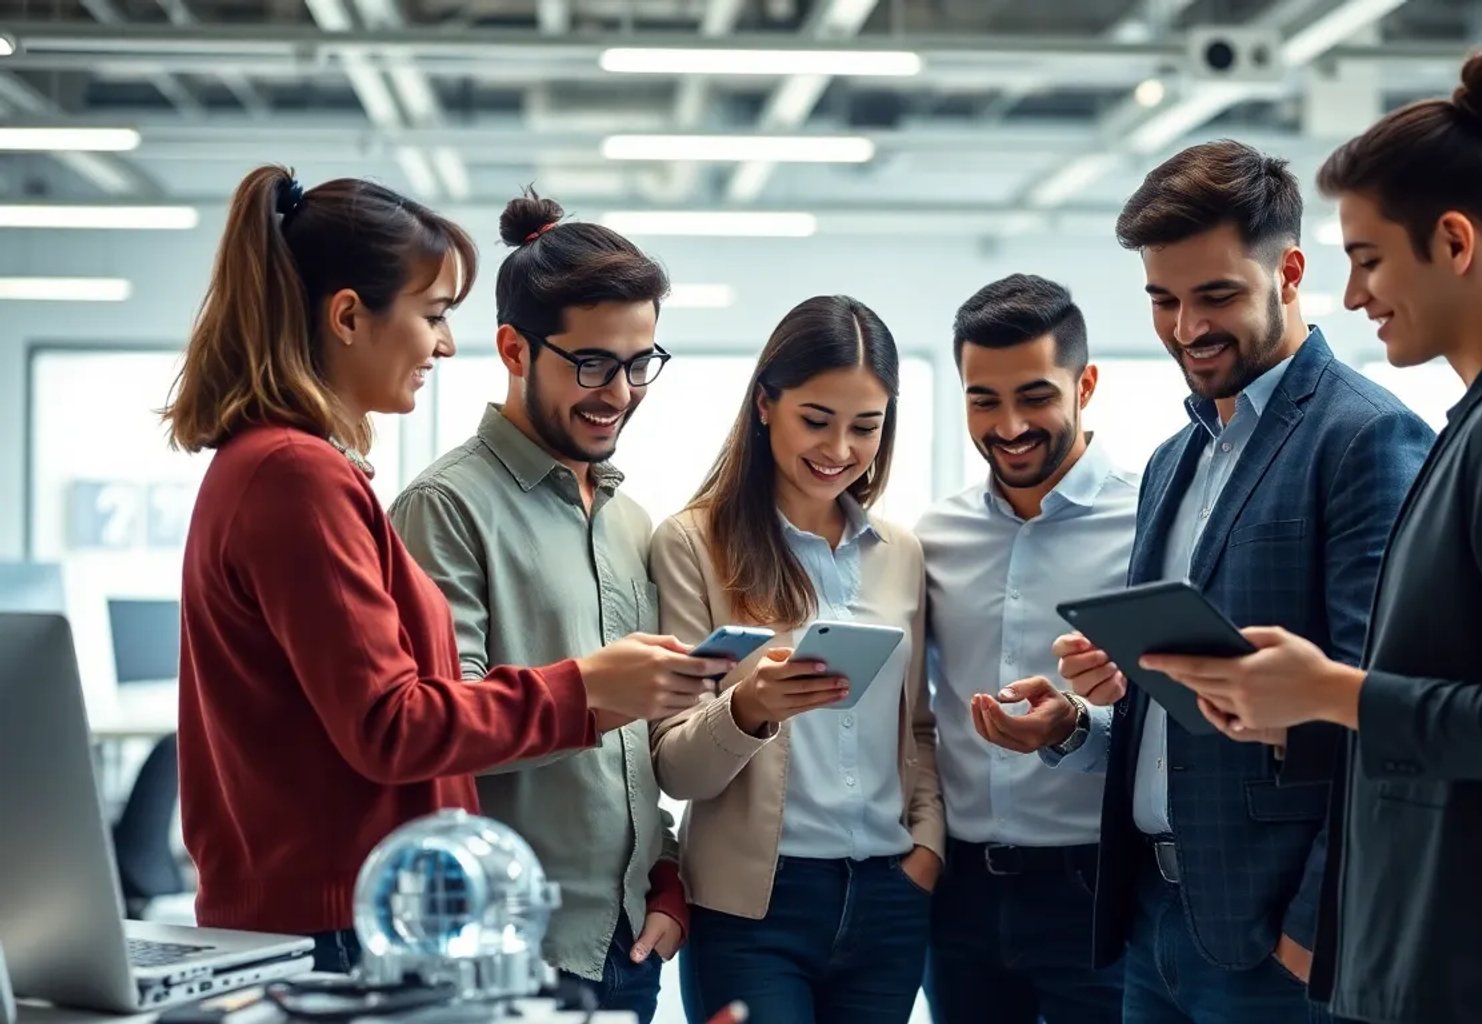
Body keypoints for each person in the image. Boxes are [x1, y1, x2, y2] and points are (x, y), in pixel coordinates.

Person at [1148, 53, 1482, 1024]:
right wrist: (1304, 706)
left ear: (1456, 241)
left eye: (1368, 258)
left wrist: (1332, 691)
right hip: (1460, 960)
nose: (1352, 298)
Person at [162, 166, 728, 972]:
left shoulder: (301, 467)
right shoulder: (295, 473)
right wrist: (587, 688)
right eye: (432, 315)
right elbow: (394, 727)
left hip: (363, 919)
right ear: (350, 317)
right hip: (337, 928)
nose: (444, 343)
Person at [991, 141, 1434, 1023]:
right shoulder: (1174, 460)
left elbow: (1382, 718)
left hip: (1273, 941)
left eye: (1218, 296)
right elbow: (1183, 720)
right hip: (1155, 921)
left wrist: (1315, 923)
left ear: (1291, 271)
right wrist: (1087, 720)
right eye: (1164, 300)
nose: (1188, 327)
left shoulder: (1365, 438)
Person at [389, 191, 692, 1017]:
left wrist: (665, 876)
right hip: (507, 952)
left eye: (640, 363)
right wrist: (592, 687)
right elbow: (440, 731)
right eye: (592, 363)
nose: (620, 392)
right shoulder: (447, 506)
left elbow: (633, 750)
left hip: (627, 940)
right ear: (515, 349)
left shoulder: (631, 521)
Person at [649, 295, 944, 1024]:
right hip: (754, 908)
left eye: (865, 427)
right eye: (816, 419)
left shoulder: (901, 554)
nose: (839, 448)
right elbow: (671, 765)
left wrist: (926, 852)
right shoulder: (691, 544)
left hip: (889, 898)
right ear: (764, 405)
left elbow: (920, 732)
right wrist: (749, 710)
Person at [917, 274, 1136, 1023]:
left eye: (1036, 396)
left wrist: (1079, 723)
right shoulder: (935, 537)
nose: (1008, 425)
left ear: (1087, 384)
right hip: (961, 893)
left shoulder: (1152, 522)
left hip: (1097, 887)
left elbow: (1182, 718)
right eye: (984, 400)